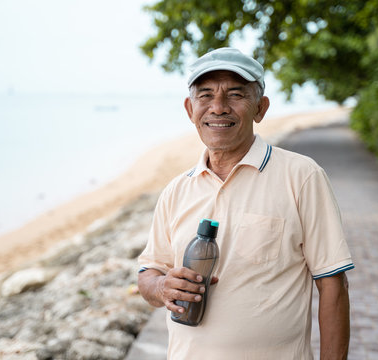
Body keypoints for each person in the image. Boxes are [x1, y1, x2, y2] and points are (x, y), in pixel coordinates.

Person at [137, 47, 354, 360]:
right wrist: (160, 287)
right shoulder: (176, 190)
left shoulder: (302, 176)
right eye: (206, 95)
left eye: (235, 94)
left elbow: (334, 286)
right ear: (190, 109)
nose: (218, 107)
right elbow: (149, 271)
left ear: (260, 108)